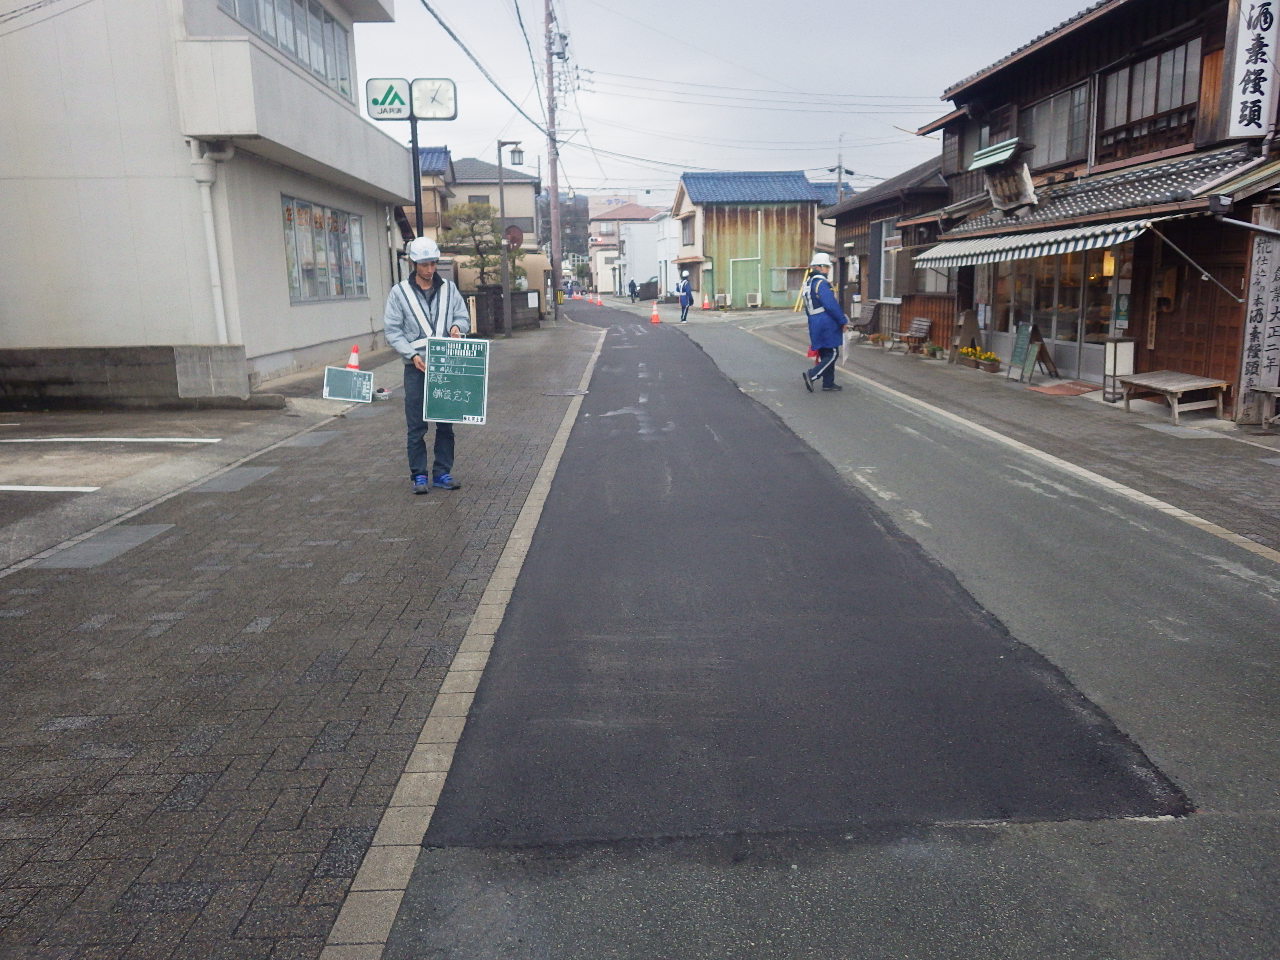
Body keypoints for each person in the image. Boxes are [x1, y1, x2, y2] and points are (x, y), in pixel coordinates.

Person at [383, 237, 471, 495]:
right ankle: (419, 475)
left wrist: (457, 327)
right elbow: (393, 330)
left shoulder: (449, 289)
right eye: (424, 265)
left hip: (445, 365)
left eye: (433, 263)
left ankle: (442, 472)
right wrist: (411, 355)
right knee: (416, 425)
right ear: (414, 263)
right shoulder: (399, 292)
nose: (430, 269)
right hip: (416, 367)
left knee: (445, 423)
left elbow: (462, 316)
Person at [801, 252, 849, 392]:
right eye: (827, 267)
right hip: (826, 322)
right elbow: (831, 305)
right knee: (833, 353)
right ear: (819, 267)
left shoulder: (808, 283)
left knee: (825, 353)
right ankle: (812, 375)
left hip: (814, 321)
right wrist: (842, 321)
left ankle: (828, 383)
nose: (828, 270)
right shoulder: (821, 283)